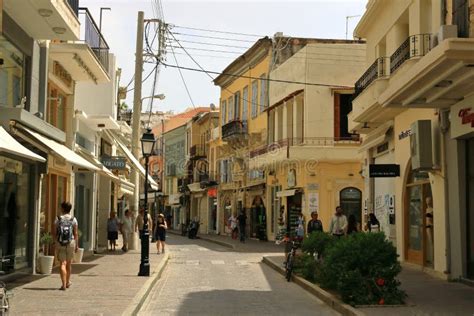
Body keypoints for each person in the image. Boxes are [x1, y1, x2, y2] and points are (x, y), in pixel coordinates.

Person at [54, 201, 78, 291]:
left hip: (60, 243)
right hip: (70, 242)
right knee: (69, 263)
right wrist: (76, 245)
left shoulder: (58, 219)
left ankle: (63, 284)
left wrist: (55, 242)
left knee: (62, 263)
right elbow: (75, 233)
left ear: (63, 209)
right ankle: (68, 282)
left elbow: (55, 232)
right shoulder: (73, 219)